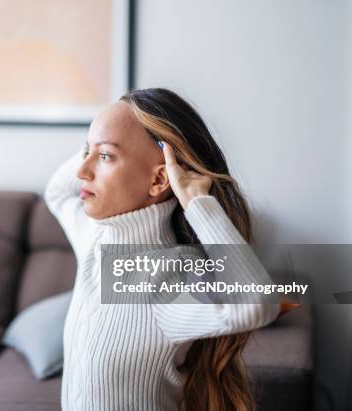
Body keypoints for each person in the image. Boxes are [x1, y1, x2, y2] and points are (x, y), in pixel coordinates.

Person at [44, 88, 290, 411]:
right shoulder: (93, 238)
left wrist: (197, 201)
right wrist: (102, 134)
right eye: (85, 152)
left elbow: (255, 304)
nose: (82, 171)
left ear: (160, 180)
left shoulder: (167, 278)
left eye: (104, 157)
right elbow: (58, 192)